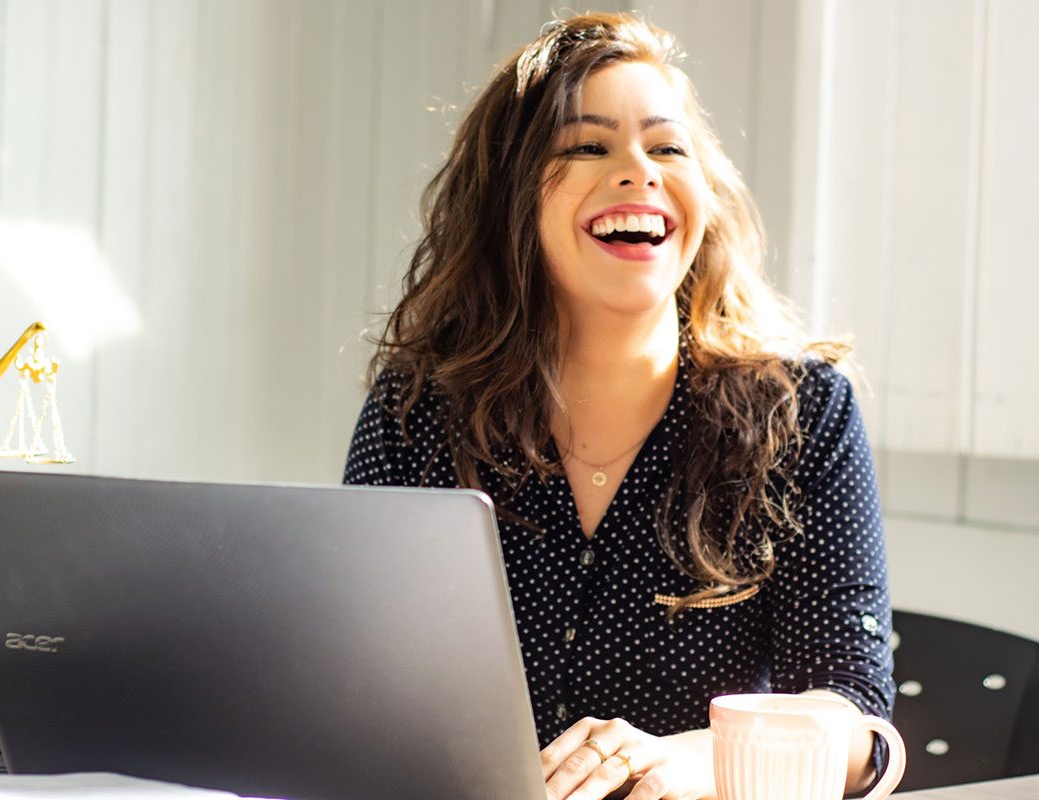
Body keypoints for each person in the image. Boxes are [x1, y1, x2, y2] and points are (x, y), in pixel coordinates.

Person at [342, 12, 893, 800]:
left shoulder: (803, 415)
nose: (640, 171)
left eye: (669, 148)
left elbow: (855, 720)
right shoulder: (418, 409)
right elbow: (351, 683)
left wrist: (693, 760)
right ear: (511, 200)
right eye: (587, 147)